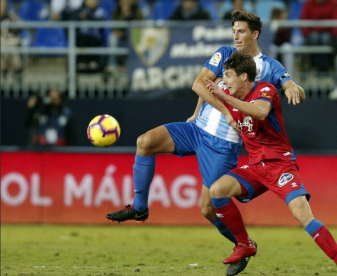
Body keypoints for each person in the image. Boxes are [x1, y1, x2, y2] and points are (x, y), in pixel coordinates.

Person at [106, 10, 304, 276]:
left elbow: (288, 82)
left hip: (223, 143)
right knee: (145, 142)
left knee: (208, 208)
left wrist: (293, 87)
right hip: (197, 129)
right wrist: (213, 110)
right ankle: (140, 207)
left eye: (241, 31)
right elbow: (199, 84)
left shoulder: (268, 66)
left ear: (255, 34)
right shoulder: (224, 53)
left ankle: (244, 244)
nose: (235, 35)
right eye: (234, 30)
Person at [204, 51, 337, 276]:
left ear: (244, 76)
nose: (224, 81)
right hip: (256, 167)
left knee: (302, 214)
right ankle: (245, 244)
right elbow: (203, 86)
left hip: (280, 164)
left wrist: (225, 98)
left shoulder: (264, 89)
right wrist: (200, 108)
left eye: (228, 75)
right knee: (217, 190)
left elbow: (260, 112)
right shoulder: (229, 91)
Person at [300, 0, 337, 71]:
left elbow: (336, 20)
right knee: (314, 38)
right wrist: (306, 34)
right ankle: (316, 66)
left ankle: (325, 68)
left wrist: (335, 34)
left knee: (325, 38)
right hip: (312, 34)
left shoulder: (334, 3)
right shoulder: (309, 3)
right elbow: (303, 19)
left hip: (329, 34)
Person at [106, 0, 144, 74]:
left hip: (133, 38)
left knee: (137, 36)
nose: (125, 2)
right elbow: (114, 28)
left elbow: (142, 26)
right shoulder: (117, 12)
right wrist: (124, 16)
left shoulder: (137, 11)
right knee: (112, 38)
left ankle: (137, 64)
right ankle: (112, 65)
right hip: (121, 39)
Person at [75, 0, 107, 73]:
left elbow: (99, 21)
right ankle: (82, 62)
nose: (91, 2)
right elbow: (72, 19)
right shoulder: (81, 11)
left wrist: (88, 16)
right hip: (83, 37)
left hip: (95, 37)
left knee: (92, 40)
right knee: (81, 39)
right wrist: (79, 17)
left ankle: (94, 61)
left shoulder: (100, 11)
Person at [1, 0, 22, 75]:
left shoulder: (10, 15)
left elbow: (20, 26)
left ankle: (17, 75)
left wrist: (14, 22)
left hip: (10, 42)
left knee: (12, 49)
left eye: (3, 4)